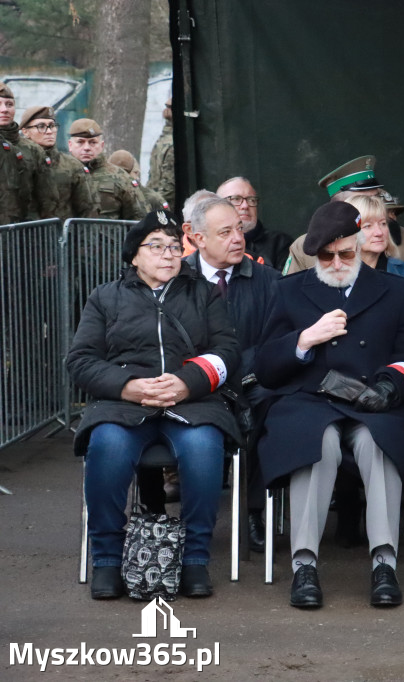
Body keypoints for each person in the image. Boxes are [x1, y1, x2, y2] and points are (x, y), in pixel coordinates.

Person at [255, 201, 404, 610]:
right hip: (309, 400)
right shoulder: (289, 290)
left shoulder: (397, 291)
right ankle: (304, 564)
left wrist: (389, 386)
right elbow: (264, 367)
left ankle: (384, 562)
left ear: (360, 244)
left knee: (376, 441)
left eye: (345, 254)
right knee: (318, 442)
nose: (336, 263)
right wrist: (305, 339)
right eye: (326, 256)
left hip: (373, 400)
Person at [66, 210, 241, 600]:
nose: (168, 254)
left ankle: (194, 560)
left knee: (203, 447)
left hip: (193, 403)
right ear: (134, 256)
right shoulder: (105, 297)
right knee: (107, 447)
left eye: (175, 247)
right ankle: (107, 559)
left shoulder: (202, 293)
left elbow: (228, 351)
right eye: (156, 246)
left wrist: (187, 383)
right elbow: (80, 361)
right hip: (124, 405)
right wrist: (127, 386)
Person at [182, 191, 281, 552]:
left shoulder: (269, 281)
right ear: (198, 238)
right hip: (195, 386)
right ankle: (166, 516)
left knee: (270, 405)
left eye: (239, 229)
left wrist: (237, 378)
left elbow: (275, 341)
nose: (238, 238)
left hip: (251, 383)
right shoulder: (177, 278)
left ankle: (253, 511)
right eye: (225, 232)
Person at [283, 156, 404, 287]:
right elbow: (289, 300)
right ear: (338, 205)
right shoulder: (305, 247)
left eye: (376, 198)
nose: (372, 205)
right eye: (362, 201)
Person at [346, 193, 404, 330]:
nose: (379, 232)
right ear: (349, 231)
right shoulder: (331, 275)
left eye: (383, 224)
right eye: (367, 226)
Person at [19, 105, 97, 221]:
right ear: (26, 131)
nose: (49, 131)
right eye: (41, 127)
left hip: (62, 231)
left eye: (52, 126)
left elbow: (87, 209)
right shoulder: (17, 162)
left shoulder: (72, 166)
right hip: (24, 231)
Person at [66, 118, 147, 221]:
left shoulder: (120, 177)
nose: (86, 148)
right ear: (70, 145)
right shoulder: (60, 174)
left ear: (101, 146)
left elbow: (139, 218)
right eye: (80, 142)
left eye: (92, 142)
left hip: (108, 231)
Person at [0, 84, 58, 224]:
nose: (4, 109)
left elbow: (47, 198)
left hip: (24, 231)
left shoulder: (33, 150)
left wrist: (45, 230)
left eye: (9, 104)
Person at [216, 177, 291, 270]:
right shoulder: (208, 243)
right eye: (236, 199)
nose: (245, 205)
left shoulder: (280, 243)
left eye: (251, 200)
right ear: (217, 206)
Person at [148, 98, 175, 210]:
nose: (166, 109)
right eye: (167, 107)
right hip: (157, 202)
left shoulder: (173, 142)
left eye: (170, 107)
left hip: (166, 207)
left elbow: (169, 185)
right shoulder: (164, 138)